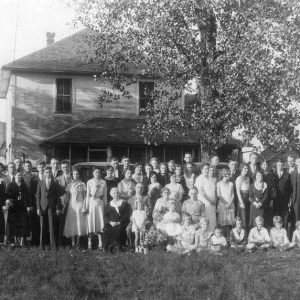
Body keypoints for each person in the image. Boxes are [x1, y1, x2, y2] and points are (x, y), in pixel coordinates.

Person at [36, 167, 61, 250]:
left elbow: (58, 196)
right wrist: (38, 208)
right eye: (46, 172)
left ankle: (53, 245)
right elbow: (38, 196)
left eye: (49, 172)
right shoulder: (40, 182)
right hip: (43, 207)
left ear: (51, 173)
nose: (48, 173)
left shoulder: (55, 183)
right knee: (42, 226)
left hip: (52, 207)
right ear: (44, 173)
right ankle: (42, 245)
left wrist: (57, 208)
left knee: (51, 226)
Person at [63, 168, 88, 249]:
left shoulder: (83, 184)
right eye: (74, 174)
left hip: (80, 205)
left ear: (79, 175)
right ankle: (73, 242)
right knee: (72, 223)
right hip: (72, 206)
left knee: (79, 223)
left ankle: (78, 242)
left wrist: (84, 206)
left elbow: (85, 197)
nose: (75, 176)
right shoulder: (69, 185)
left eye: (77, 174)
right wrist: (64, 206)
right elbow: (67, 196)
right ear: (72, 175)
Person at [86, 167, 107, 250]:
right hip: (91, 203)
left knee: (100, 222)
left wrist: (105, 205)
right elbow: (87, 195)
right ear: (93, 173)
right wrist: (86, 206)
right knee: (90, 222)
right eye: (95, 172)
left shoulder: (103, 182)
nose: (97, 174)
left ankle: (100, 242)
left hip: (100, 203)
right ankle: (89, 242)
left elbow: (105, 195)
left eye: (98, 172)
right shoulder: (89, 182)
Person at [103, 187, 130, 253]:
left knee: (119, 229)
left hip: (121, 222)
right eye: (114, 193)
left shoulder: (124, 204)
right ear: (111, 194)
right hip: (111, 223)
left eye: (117, 193)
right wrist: (110, 222)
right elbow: (105, 216)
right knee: (106, 229)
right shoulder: (108, 204)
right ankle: (108, 247)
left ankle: (118, 247)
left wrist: (119, 222)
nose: (116, 194)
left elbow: (126, 215)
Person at [6, 172, 29, 246]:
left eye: (21, 175)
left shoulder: (24, 185)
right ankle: (14, 241)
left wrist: (27, 205)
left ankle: (22, 241)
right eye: (18, 175)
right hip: (13, 208)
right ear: (15, 176)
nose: (19, 176)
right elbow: (6, 195)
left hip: (22, 208)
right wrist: (8, 201)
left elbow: (27, 196)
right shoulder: (11, 185)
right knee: (13, 225)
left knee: (23, 224)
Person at [194, 164, 217, 232]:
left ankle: (212, 234)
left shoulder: (211, 178)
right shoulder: (199, 179)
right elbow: (201, 192)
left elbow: (214, 191)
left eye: (208, 169)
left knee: (212, 219)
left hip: (212, 202)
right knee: (205, 219)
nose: (207, 170)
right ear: (201, 170)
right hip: (205, 202)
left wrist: (215, 199)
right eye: (205, 169)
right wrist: (210, 200)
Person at [22, 160, 40, 246]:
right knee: (24, 223)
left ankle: (34, 241)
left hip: (33, 203)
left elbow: (37, 192)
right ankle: (24, 241)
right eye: (26, 166)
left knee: (34, 223)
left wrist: (33, 205)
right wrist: (25, 205)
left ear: (31, 167)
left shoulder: (35, 177)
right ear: (24, 167)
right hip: (23, 204)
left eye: (29, 166)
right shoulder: (21, 176)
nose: (27, 167)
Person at [56, 160, 73, 247]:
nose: (65, 169)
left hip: (72, 203)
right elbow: (57, 193)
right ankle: (61, 242)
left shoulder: (73, 178)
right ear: (61, 168)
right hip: (62, 204)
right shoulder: (58, 179)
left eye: (66, 167)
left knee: (70, 222)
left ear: (69, 167)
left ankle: (70, 242)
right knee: (61, 223)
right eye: (63, 167)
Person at [273, 159, 292, 230]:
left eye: (281, 165)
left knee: (285, 217)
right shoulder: (273, 175)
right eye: (278, 165)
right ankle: (276, 234)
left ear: (283, 166)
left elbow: (290, 188)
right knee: (277, 217)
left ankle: (285, 234)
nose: (280, 166)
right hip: (276, 200)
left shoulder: (287, 175)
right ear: (276, 166)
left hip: (285, 200)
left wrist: (290, 199)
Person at [217, 170, 235, 239]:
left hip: (230, 203)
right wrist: (226, 203)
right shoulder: (218, 184)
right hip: (222, 204)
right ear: (224, 175)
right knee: (222, 222)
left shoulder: (231, 184)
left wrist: (230, 203)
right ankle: (222, 237)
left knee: (230, 221)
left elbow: (233, 194)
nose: (229, 176)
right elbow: (219, 195)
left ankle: (229, 238)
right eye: (228, 174)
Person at [261, 159, 277, 228]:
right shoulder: (259, 174)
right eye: (263, 164)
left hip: (269, 198)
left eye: (266, 165)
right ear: (261, 166)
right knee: (262, 215)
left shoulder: (271, 175)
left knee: (269, 215)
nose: (265, 166)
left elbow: (273, 188)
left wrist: (272, 199)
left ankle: (269, 231)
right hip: (261, 198)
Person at [235, 164, 251, 230]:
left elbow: (249, 189)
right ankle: (243, 233)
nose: (246, 170)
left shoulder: (248, 178)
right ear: (241, 169)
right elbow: (238, 191)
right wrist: (241, 202)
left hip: (247, 198)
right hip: (242, 198)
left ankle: (247, 232)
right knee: (243, 216)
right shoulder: (239, 178)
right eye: (245, 168)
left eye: (247, 169)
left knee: (247, 216)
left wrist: (250, 198)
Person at [290, 158, 300, 223]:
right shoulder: (293, 173)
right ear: (296, 163)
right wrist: (292, 198)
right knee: (297, 216)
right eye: (298, 161)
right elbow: (291, 186)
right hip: (296, 198)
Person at [0, 163, 5, 243]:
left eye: (1, 167)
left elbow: (4, 193)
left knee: (1, 221)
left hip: (1, 202)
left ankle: (1, 240)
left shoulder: (4, 178)